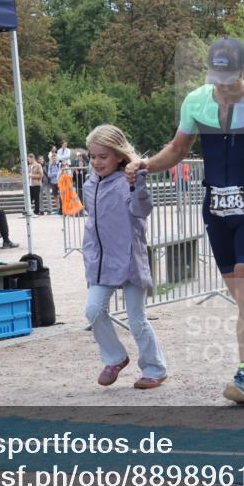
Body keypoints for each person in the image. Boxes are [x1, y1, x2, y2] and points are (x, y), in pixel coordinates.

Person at [124, 37, 244, 405]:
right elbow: (177, 149)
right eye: (217, 77)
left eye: (230, 78)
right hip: (215, 208)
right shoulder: (196, 101)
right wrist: (145, 164)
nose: (223, 86)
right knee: (241, 296)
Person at [83, 124, 167, 390]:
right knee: (93, 310)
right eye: (93, 156)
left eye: (103, 156)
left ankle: (155, 368)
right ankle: (115, 357)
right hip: (101, 263)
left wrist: (138, 184)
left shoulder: (128, 182)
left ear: (119, 155)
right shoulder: (88, 185)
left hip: (130, 261)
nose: (97, 162)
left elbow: (142, 211)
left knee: (137, 319)